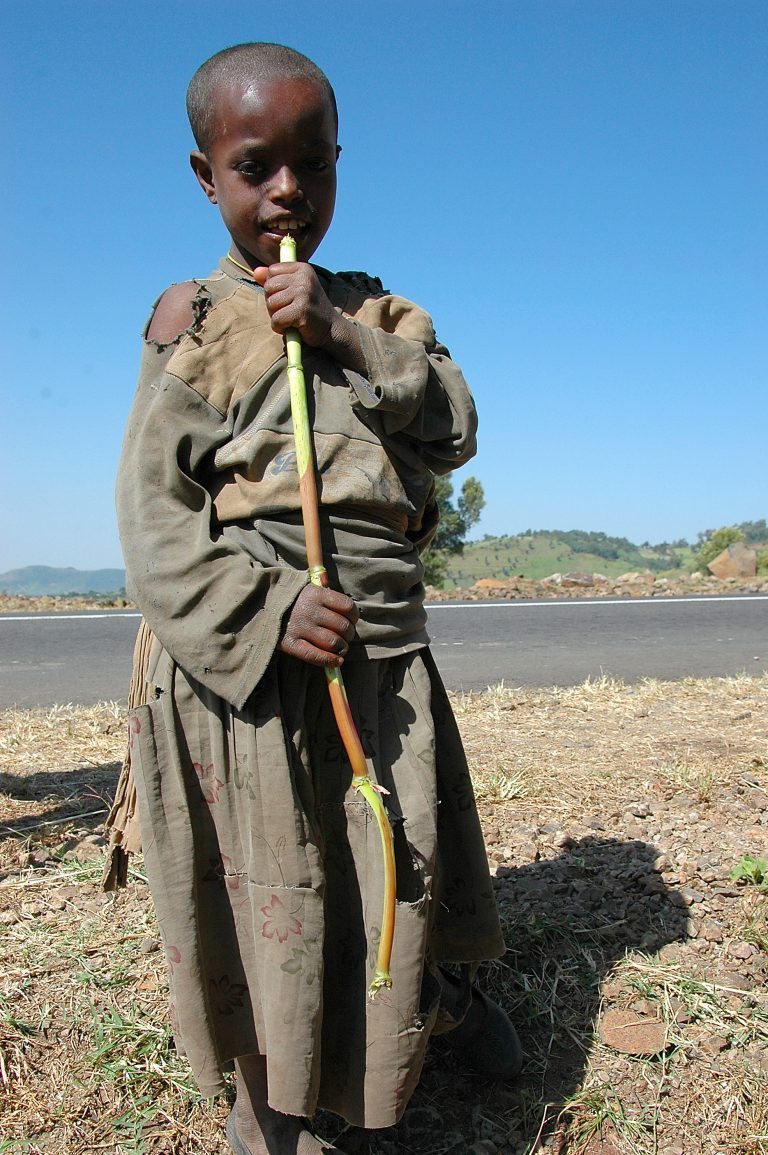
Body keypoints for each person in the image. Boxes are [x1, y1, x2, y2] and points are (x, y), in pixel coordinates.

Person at [115, 41, 520, 1155]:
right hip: (255, 678)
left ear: (338, 164)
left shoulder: (384, 313)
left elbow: (454, 425)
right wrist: (262, 614)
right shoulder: (194, 323)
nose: (287, 191)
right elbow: (154, 520)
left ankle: (419, 1025)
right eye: (256, 168)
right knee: (279, 884)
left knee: (395, 858)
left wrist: (343, 337)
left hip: (383, 664)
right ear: (207, 177)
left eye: (312, 165)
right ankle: (275, 1091)